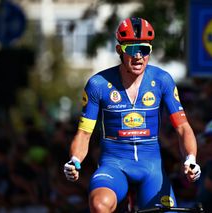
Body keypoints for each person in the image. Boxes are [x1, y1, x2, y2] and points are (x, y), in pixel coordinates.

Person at [63, 17, 201, 212]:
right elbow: (84, 134)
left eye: (144, 50)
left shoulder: (162, 80)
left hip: (151, 168)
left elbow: (182, 127)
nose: (138, 57)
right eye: (131, 50)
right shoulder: (98, 84)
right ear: (120, 50)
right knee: (99, 205)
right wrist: (75, 160)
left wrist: (190, 158)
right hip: (113, 166)